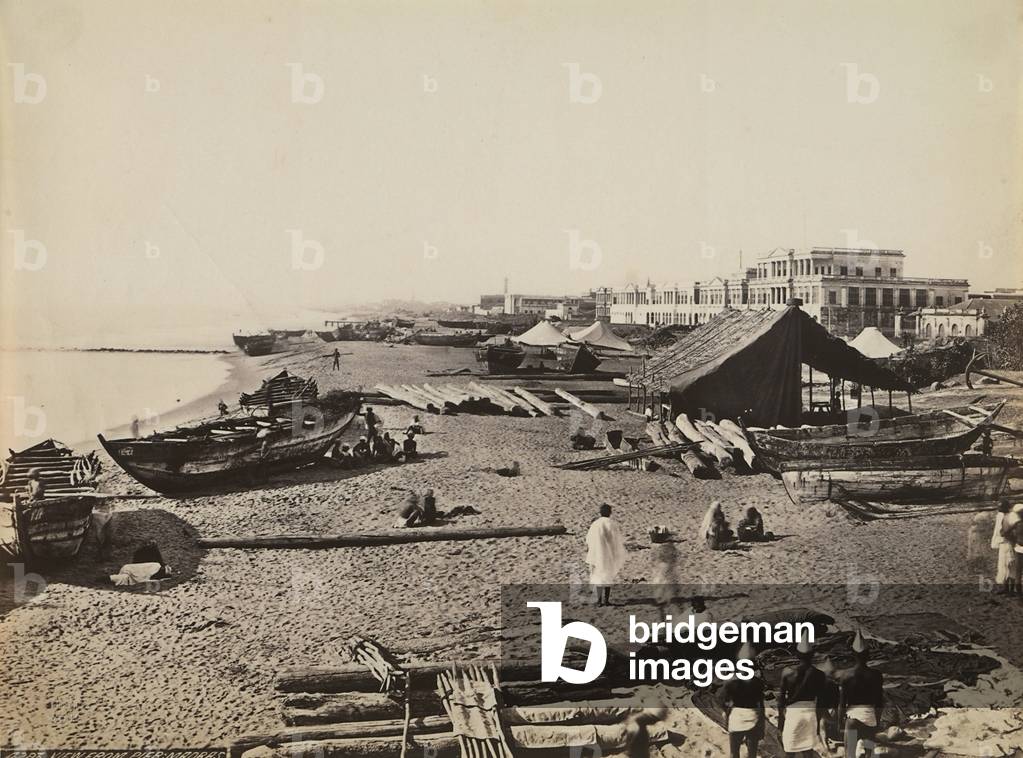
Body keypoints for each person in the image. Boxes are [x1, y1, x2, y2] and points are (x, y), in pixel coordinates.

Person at [837, 630, 884, 758]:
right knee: (869, 754)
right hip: (870, 718)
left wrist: (839, 722)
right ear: (868, 654)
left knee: (850, 754)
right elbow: (880, 701)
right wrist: (877, 722)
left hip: (852, 720)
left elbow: (842, 703)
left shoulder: (846, 675)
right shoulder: (876, 675)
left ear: (853, 654)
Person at [779, 638, 827, 757]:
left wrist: (781, 722)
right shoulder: (820, 675)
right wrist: (817, 721)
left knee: (789, 751)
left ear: (797, 654)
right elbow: (821, 702)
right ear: (812, 655)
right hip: (810, 713)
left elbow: (781, 699)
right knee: (808, 751)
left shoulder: (787, 672)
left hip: (793, 714)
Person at [721, 641, 765, 758]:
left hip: (736, 717)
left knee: (734, 753)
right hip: (753, 717)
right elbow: (760, 706)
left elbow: (725, 704)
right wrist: (761, 726)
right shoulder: (758, 683)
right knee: (752, 754)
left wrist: (726, 721)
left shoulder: (730, 681)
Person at [585, 503, 626, 607]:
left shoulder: (595, 524)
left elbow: (589, 539)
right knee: (608, 575)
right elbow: (616, 539)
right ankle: (606, 600)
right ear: (610, 512)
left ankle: (599, 600)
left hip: (597, 553)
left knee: (598, 576)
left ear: (600, 512)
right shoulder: (612, 524)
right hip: (608, 553)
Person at [992, 500, 1019, 594]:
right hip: (1004, 543)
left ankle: (1008, 588)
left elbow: (1012, 529)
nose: (999, 509)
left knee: (1008, 565)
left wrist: (1006, 533)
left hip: (1008, 543)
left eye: (1000, 507)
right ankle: (1006, 588)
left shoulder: (1011, 516)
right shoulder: (1002, 516)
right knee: (1004, 565)